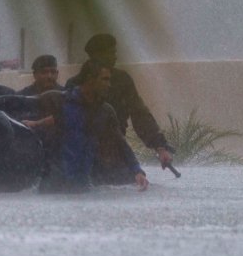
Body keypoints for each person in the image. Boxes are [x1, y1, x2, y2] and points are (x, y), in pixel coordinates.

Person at [0, 60, 149, 193]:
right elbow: (19, 101)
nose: (109, 85)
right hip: (54, 186)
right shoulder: (59, 101)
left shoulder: (105, 111)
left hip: (83, 186)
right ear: (90, 80)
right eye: (105, 79)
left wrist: (137, 170)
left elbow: (120, 142)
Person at [66, 33, 175, 168]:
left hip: (114, 151)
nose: (115, 57)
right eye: (111, 53)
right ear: (97, 56)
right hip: (82, 153)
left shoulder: (123, 80)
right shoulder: (74, 85)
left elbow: (140, 115)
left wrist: (160, 147)